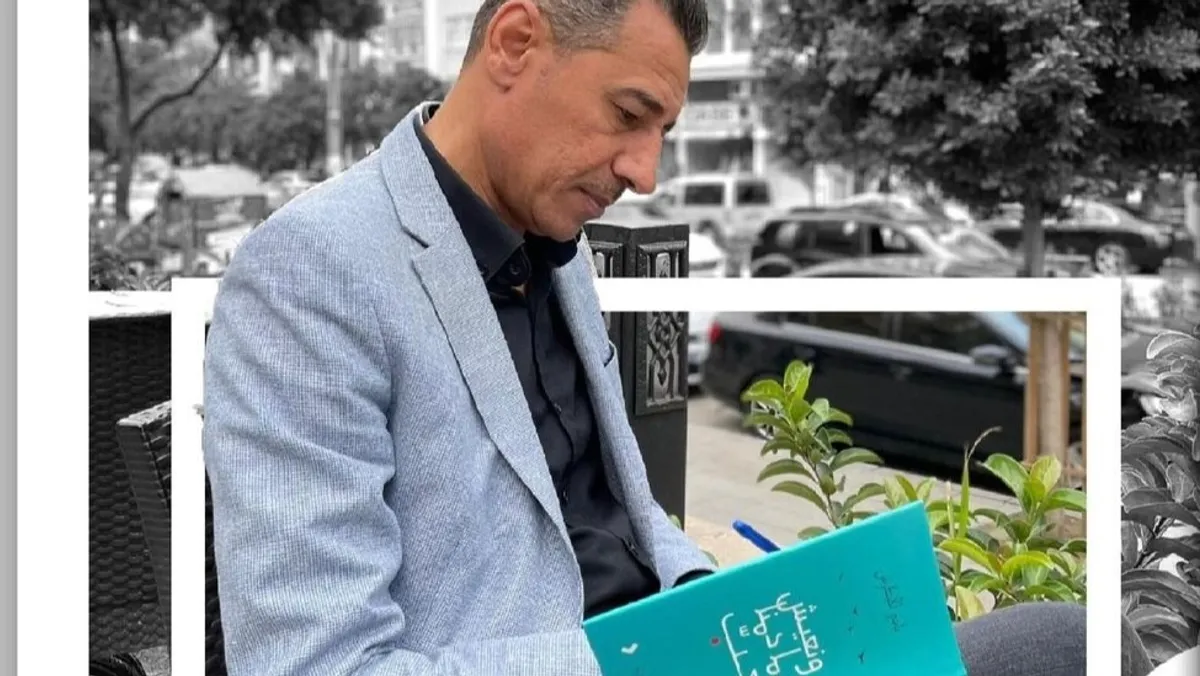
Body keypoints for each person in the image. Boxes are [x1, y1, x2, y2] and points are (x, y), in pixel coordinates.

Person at [202, 0, 1087, 674]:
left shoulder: (557, 245)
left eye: (662, 131)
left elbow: (627, 516)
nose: (646, 171)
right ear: (515, 42)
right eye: (629, 114)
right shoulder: (312, 270)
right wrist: (648, 659)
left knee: (1074, 641)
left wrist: (719, 605)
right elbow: (313, 665)